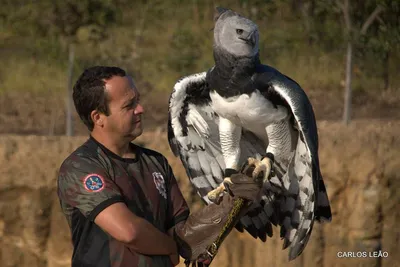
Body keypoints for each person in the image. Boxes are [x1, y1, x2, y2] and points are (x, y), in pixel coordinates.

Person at [57, 66, 264, 267]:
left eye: (137, 100)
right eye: (129, 106)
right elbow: (129, 232)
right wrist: (170, 247)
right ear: (98, 117)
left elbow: (182, 233)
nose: (140, 109)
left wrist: (228, 206)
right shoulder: (80, 167)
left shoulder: (156, 162)